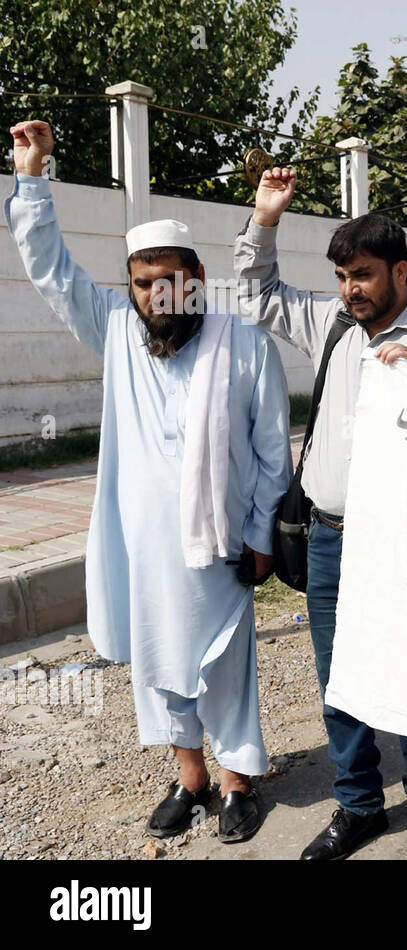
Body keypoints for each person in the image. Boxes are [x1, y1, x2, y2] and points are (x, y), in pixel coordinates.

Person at [5, 120, 291, 844]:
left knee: (225, 660)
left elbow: (270, 455)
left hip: (222, 544)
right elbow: (51, 271)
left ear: (195, 278)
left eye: (171, 281)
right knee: (161, 660)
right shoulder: (117, 333)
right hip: (144, 544)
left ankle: (237, 781)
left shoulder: (245, 343)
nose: (158, 297)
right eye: (143, 284)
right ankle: (190, 777)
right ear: (130, 288)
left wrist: (260, 537)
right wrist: (33, 179)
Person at [234, 166, 407, 860]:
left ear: (400, 271)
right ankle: (360, 804)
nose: (350, 290)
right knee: (339, 677)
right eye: (342, 277)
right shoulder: (331, 323)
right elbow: (256, 293)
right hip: (331, 540)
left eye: (363, 275)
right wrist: (266, 219)